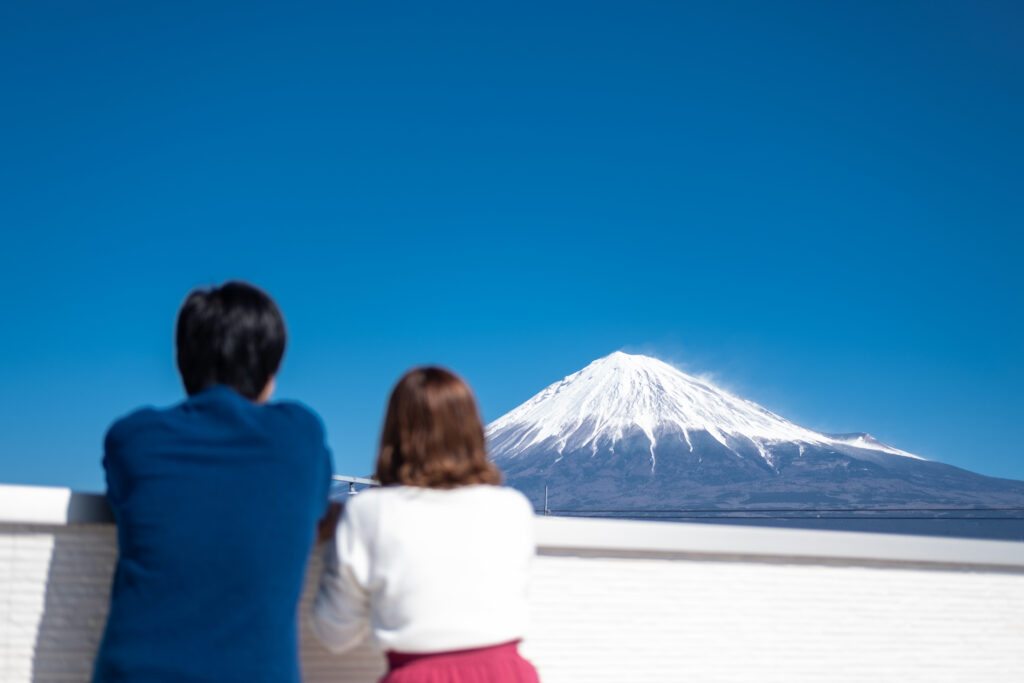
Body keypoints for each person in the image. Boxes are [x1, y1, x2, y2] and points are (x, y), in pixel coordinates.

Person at [92, 281, 334, 683]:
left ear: (183, 362)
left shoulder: (133, 439)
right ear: (271, 370)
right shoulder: (301, 438)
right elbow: (316, 502)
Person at [311, 367, 540, 683]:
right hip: (510, 674)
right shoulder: (513, 508)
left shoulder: (370, 512)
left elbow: (335, 632)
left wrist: (335, 547)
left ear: (395, 432)